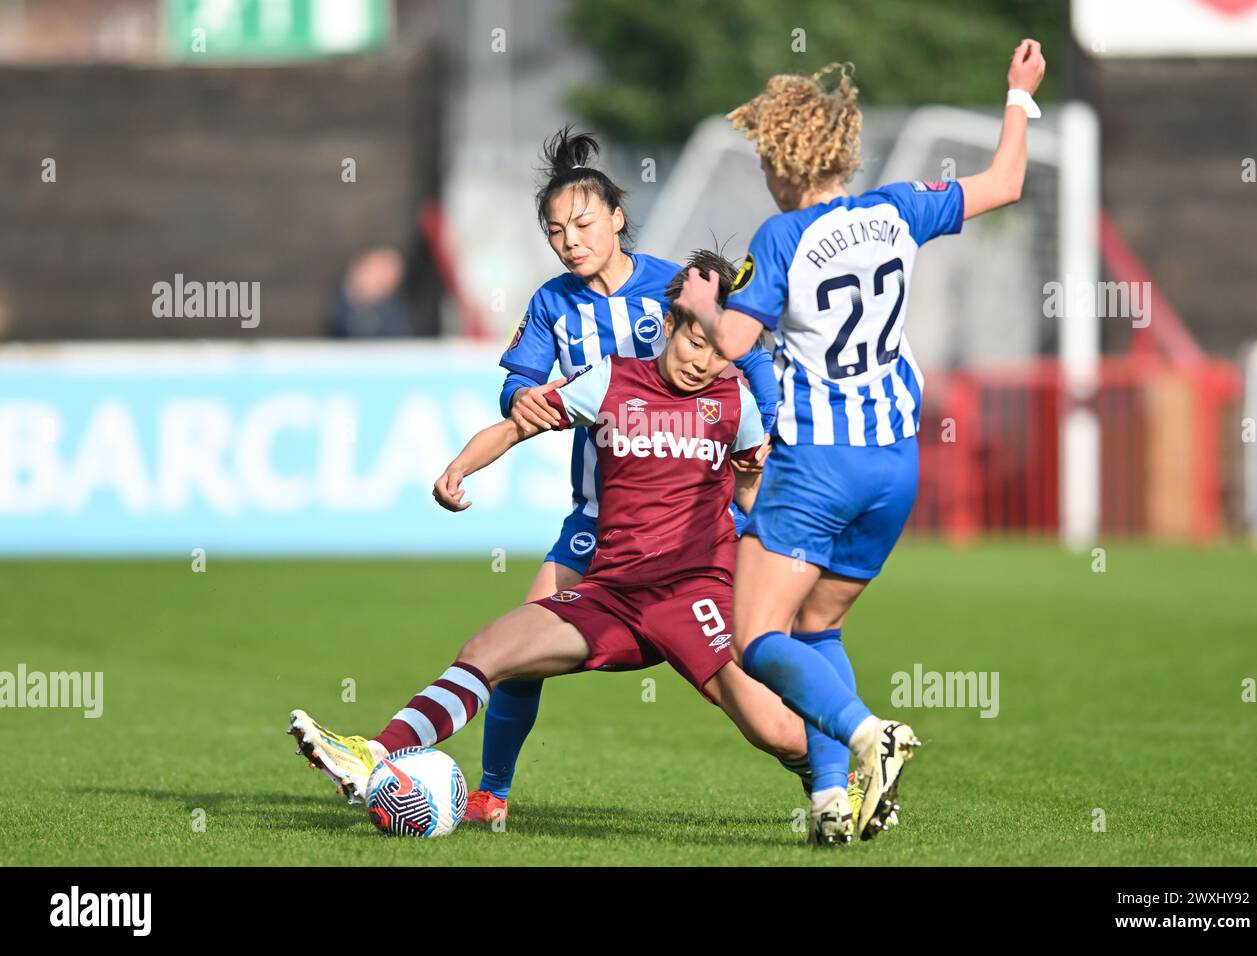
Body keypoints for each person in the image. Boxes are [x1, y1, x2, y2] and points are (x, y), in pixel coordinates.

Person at [287, 252, 815, 830]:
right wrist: (459, 469)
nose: (702, 361)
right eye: (695, 342)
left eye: (720, 351)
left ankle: (842, 778)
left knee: (780, 732)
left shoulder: (735, 401)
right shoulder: (613, 378)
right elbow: (520, 422)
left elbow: (750, 495)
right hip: (611, 593)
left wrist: (775, 525)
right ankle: (373, 756)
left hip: (694, 595)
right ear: (669, 325)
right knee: (487, 651)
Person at [675, 42, 1048, 843]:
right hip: (894, 464)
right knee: (819, 628)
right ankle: (832, 803)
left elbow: (734, 343)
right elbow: (1008, 182)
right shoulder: (899, 207)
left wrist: (705, 300)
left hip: (817, 464)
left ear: (783, 159)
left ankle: (867, 732)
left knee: (756, 637)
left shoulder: (781, 237)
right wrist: (1018, 95)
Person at [470, 127, 780, 824]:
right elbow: (520, 385)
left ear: (616, 216)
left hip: (698, 511)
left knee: (749, 660)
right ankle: (491, 793)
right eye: (555, 231)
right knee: (519, 646)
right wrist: (515, 397)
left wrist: (771, 418)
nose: (570, 240)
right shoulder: (553, 301)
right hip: (597, 515)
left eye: (582, 223)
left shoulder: (674, 286)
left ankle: (830, 756)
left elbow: (745, 350)